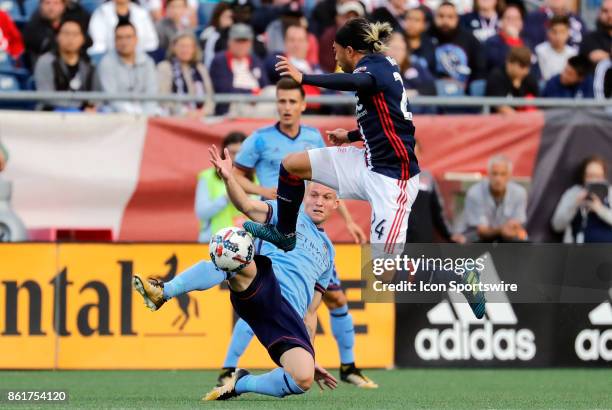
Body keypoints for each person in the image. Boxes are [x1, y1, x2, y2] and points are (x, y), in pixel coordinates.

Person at [133, 147, 339, 401]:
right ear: (305, 196)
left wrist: (309, 353)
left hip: (288, 318)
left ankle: (241, 383)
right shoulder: (287, 213)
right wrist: (229, 178)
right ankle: (164, 291)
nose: (319, 202)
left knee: (303, 378)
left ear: (336, 204)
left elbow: (311, 312)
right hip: (266, 286)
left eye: (327, 197)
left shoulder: (328, 253)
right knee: (233, 246)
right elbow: (245, 205)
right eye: (315, 195)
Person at [220, 78, 376, 389]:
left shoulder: (311, 136)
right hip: (276, 223)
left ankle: (348, 366)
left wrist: (347, 220)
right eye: (282, 101)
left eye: (293, 102)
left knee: (334, 297)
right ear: (276, 104)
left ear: (303, 105)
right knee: (264, 295)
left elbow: (326, 185)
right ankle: (229, 368)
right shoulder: (260, 140)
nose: (287, 107)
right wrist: (269, 192)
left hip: (309, 228)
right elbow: (237, 178)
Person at [243, 18, 420, 260]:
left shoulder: (373, 70)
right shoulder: (380, 67)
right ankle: (285, 232)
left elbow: (356, 82)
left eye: (336, 51)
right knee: (292, 165)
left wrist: (304, 78)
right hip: (367, 162)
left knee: (383, 274)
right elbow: (391, 120)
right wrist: (350, 136)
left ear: (349, 50)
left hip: (392, 179)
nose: (335, 59)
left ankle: (458, 275)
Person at [405, 140, 465, 243]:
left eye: (414, 154)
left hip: (423, 240)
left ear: (419, 154)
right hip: (399, 241)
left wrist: (450, 235)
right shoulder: (391, 178)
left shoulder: (427, 178)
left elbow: (438, 211)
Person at [34, 17, 99, 111]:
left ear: (82, 39)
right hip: (54, 113)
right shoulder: (45, 61)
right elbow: (46, 96)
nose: (70, 38)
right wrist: (79, 108)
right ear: (57, 37)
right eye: (66, 33)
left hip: (85, 113)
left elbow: (98, 94)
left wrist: (92, 107)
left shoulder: (89, 64)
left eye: (75, 34)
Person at [97, 21, 160, 115]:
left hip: (144, 114)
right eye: (119, 38)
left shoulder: (147, 62)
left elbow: (151, 93)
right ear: (114, 41)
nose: (124, 42)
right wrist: (132, 115)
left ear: (136, 39)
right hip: (116, 115)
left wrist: (146, 114)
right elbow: (111, 97)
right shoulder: (106, 62)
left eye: (128, 37)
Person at [195, 132, 247, 243]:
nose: (236, 157)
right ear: (224, 152)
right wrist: (228, 197)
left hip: (245, 244)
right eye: (232, 153)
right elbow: (201, 212)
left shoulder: (255, 178)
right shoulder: (207, 177)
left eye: (241, 153)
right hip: (214, 243)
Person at [462, 155, 528, 242]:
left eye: (503, 174)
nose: (498, 179)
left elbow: (516, 224)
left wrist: (512, 229)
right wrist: (503, 229)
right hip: (479, 238)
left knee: (523, 240)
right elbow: (480, 231)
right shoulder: (475, 193)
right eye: (494, 173)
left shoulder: (519, 193)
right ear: (488, 174)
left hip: (507, 238)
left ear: (509, 175)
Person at [208, 23, 269, 115]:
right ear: (229, 42)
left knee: (273, 91)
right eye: (237, 41)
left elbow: (265, 86)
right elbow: (224, 90)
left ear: (250, 43)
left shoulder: (255, 60)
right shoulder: (220, 60)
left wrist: (258, 95)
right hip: (233, 106)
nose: (241, 45)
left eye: (245, 41)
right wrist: (252, 94)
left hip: (258, 104)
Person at [552, 155, 612, 243]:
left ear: (604, 177)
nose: (594, 180)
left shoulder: (610, 192)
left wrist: (599, 209)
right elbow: (557, 226)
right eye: (590, 176)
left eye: (598, 176)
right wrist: (575, 204)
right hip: (578, 251)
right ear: (583, 177)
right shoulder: (573, 193)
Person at [430, 2, 486, 90]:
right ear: (434, 17)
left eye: (450, 17)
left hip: (464, 93)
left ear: (457, 18)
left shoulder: (469, 39)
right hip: (433, 92)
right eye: (441, 16)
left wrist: (468, 87)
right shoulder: (428, 37)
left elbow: (480, 69)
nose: (445, 21)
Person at [157, 32, 215, 116]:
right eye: (182, 46)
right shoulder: (165, 67)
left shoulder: (201, 68)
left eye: (189, 46)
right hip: (175, 118)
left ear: (194, 49)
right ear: (173, 48)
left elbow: (210, 97)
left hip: (201, 117)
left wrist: (203, 112)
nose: (185, 50)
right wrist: (185, 112)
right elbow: (163, 97)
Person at [23, 0, 90, 68]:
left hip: (76, 66)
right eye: (47, 3)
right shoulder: (33, 26)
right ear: (40, 5)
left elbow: (88, 41)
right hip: (46, 68)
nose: (51, 7)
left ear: (63, 6)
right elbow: (45, 46)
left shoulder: (73, 19)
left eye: (56, 3)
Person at [88, 0, 159, 55]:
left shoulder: (141, 13)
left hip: (139, 59)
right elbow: (98, 44)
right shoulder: (100, 13)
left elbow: (151, 42)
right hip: (110, 59)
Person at [485, 46, 539, 114]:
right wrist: (522, 121)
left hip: (525, 121)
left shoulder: (529, 78)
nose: (526, 71)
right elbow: (500, 107)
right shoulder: (496, 76)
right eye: (522, 66)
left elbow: (538, 104)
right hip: (498, 121)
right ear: (509, 63)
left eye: (528, 66)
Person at [385, 32, 436, 100]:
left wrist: (413, 92)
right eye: (394, 48)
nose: (397, 53)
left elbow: (432, 87)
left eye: (401, 49)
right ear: (384, 50)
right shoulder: (377, 69)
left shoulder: (416, 67)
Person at [319, 0, 365, 73]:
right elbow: (325, 66)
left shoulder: (365, 39)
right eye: (347, 16)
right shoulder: (328, 36)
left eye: (356, 17)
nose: (351, 20)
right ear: (338, 18)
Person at [484, 4, 527, 73]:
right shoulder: (491, 42)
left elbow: (532, 68)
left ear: (521, 23)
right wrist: (513, 40)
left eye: (516, 18)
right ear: (501, 22)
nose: (512, 22)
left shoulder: (528, 42)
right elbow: (500, 66)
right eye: (509, 18)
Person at [535, 15, 577, 81]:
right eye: (554, 32)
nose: (558, 36)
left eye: (562, 32)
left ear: (568, 33)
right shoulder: (539, 51)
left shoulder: (573, 54)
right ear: (548, 33)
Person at [200, 2, 234, 68]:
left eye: (232, 17)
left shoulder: (234, 35)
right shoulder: (209, 32)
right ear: (218, 17)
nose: (230, 21)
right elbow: (207, 58)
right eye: (226, 17)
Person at [579, 0, 612, 66]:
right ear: (599, 13)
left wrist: (607, 56)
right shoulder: (589, 39)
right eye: (605, 11)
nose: (610, 15)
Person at [404, 6, 436, 73]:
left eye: (417, 20)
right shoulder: (397, 43)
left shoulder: (430, 46)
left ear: (424, 25)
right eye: (409, 19)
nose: (411, 23)